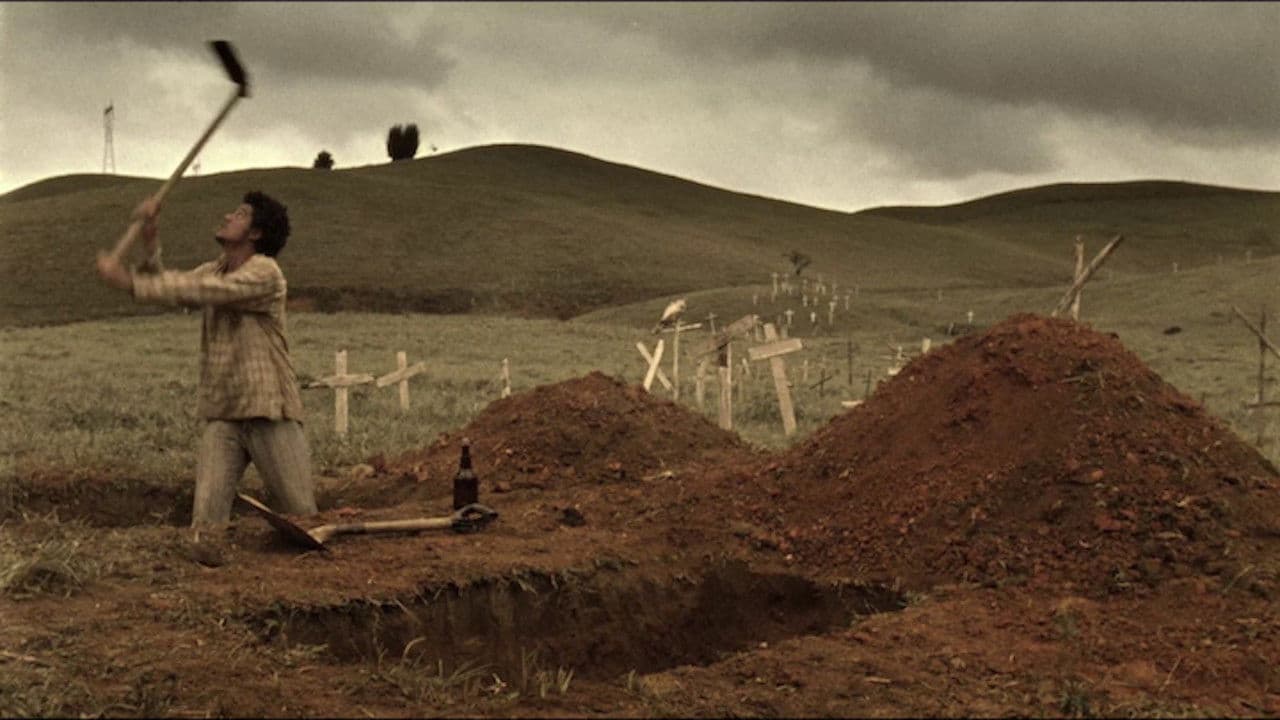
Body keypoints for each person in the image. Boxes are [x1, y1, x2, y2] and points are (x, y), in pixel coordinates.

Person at [95, 191, 317, 527]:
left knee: (302, 517)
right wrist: (150, 236)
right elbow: (170, 285)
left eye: (240, 214)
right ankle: (209, 553)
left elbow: (204, 291)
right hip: (223, 412)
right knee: (206, 526)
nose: (228, 216)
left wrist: (128, 282)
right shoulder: (214, 270)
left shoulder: (265, 273)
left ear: (256, 233)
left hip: (268, 409)